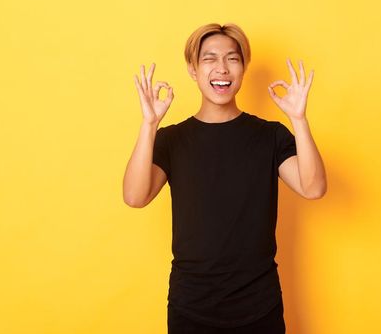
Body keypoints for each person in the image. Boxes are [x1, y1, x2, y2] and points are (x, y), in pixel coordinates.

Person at [121, 23, 327, 333]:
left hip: (260, 305)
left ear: (244, 68)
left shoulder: (269, 136)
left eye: (232, 58)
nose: (222, 68)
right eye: (210, 58)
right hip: (191, 306)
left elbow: (313, 188)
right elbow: (135, 197)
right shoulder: (172, 139)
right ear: (192, 69)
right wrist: (149, 125)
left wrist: (299, 120)